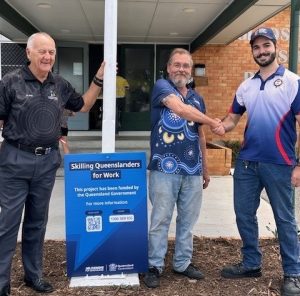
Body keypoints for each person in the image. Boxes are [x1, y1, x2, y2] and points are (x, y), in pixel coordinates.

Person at [0, 32, 105, 296]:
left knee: (37, 222)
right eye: (42, 51)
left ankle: (33, 276)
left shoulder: (59, 84)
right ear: (28, 53)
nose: (47, 57)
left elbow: (83, 105)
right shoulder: (10, 82)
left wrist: (99, 79)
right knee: (8, 224)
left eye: (52, 52)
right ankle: (1, 283)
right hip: (14, 160)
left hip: (47, 161)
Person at [212, 27, 300, 296]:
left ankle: (293, 273)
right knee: (244, 215)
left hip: (280, 163)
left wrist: (299, 164)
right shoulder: (246, 86)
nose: (261, 51)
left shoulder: (292, 82)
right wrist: (220, 127)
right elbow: (232, 119)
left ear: (275, 47)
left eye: (266, 46)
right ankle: (251, 264)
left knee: (285, 219)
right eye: (256, 47)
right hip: (247, 163)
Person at [143, 48, 219, 288]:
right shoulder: (162, 88)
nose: (181, 70)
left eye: (186, 66)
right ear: (168, 68)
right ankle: (155, 265)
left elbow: (200, 137)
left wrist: (205, 169)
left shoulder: (198, 98)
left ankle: (182, 263)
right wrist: (212, 121)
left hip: (192, 171)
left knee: (187, 221)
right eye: (177, 65)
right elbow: (180, 109)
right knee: (160, 220)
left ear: (191, 70)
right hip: (164, 170)